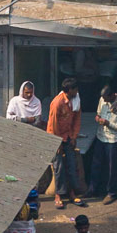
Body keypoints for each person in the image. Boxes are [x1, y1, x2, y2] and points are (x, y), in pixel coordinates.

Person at [48, 75, 84, 207]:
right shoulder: (57, 103)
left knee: (72, 165)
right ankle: (59, 194)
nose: (77, 92)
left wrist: (74, 136)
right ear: (69, 90)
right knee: (58, 167)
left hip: (69, 137)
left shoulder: (76, 100)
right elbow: (53, 124)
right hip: (57, 137)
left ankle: (72, 193)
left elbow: (77, 119)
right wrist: (56, 143)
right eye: (75, 89)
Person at [90, 84, 117, 201]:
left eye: (107, 98)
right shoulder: (102, 100)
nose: (104, 100)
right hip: (101, 136)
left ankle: (111, 193)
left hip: (113, 140)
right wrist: (98, 118)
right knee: (96, 164)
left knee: (112, 168)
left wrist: (108, 123)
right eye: (103, 98)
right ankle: (92, 189)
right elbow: (98, 112)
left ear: (113, 95)